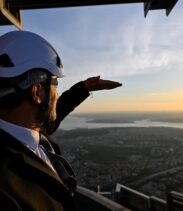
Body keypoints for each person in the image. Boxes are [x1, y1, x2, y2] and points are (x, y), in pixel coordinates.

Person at [0, 30, 121, 210]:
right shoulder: (7, 186)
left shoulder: (27, 133)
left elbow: (53, 115)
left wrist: (83, 88)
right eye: (55, 84)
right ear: (37, 92)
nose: (56, 94)